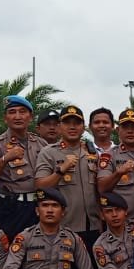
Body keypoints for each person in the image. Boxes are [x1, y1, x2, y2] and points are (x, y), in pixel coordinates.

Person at [0, 95, 47, 238]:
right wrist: (4, 159)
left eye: (22, 111)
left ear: (30, 117)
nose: (17, 116)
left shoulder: (41, 144)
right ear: (5, 118)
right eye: (12, 112)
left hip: (39, 207)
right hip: (11, 209)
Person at [34, 106, 102, 247]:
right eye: (67, 123)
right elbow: (40, 186)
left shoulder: (93, 153)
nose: (72, 127)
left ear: (83, 127)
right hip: (63, 228)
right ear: (59, 126)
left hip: (94, 226)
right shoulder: (48, 153)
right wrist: (61, 170)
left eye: (77, 123)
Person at [96, 108, 134, 221]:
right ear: (118, 130)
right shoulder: (108, 156)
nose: (130, 131)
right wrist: (118, 173)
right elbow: (102, 188)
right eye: (125, 127)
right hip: (122, 224)